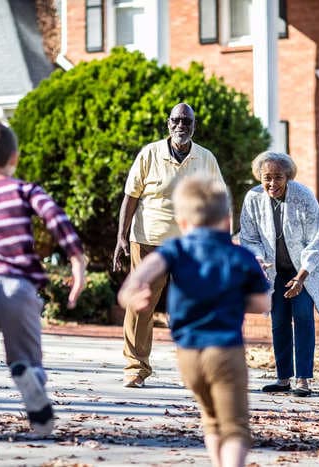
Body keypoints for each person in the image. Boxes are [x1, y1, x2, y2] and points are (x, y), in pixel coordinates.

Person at [0, 119, 86, 467]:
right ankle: (30, 378)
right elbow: (57, 219)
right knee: (27, 361)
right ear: (15, 156)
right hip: (19, 289)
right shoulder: (26, 190)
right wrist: (77, 263)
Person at [118, 175, 270, 467]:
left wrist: (133, 298)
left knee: (212, 420)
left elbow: (133, 283)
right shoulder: (241, 256)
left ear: (183, 223)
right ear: (227, 220)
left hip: (188, 356)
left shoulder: (174, 250)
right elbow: (262, 303)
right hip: (226, 351)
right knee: (235, 426)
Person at [112, 103, 226, 388]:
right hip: (149, 241)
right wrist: (121, 238)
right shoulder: (150, 154)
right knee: (141, 305)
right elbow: (131, 197)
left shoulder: (205, 158)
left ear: (194, 125)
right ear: (168, 123)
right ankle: (135, 368)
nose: (181, 126)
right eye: (176, 120)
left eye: (187, 121)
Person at [239, 151, 319, 397]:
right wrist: (257, 258)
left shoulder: (303, 196)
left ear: (288, 176)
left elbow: (317, 238)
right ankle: (283, 379)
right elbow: (249, 237)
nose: (272, 183)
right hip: (274, 270)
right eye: (266, 177)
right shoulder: (253, 198)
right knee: (278, 321)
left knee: (302, 316)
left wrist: (301, 277)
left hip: (304, 270)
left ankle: (303, 379)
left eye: (278, 177)